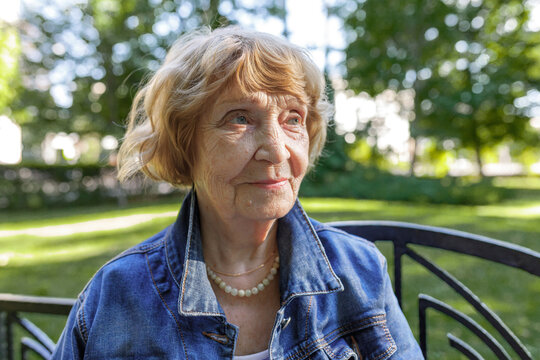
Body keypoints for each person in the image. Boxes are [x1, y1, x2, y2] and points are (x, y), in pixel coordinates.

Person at [52, 26, 423, 359]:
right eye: (240, 118)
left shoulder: (359, 270)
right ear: (185, 143)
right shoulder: (117, 295)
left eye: (292, 118)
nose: (277, 150)